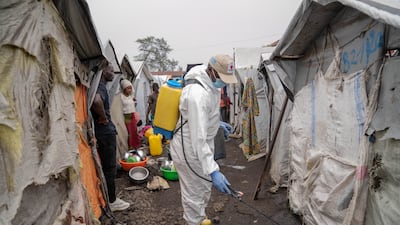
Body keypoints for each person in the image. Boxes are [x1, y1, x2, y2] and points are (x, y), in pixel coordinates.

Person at [170, 54, 237, 225]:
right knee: (194, 194)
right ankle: (194, 221)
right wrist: (213, 171)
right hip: (189, 148)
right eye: (222, 78)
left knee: (203, 187)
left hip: (198, 144)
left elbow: (203, 116)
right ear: (212, 71)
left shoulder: (207, 81)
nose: (224, 82)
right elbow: (198, 139)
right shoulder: (197, 95)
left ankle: (198, 219)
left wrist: (217, 122)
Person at [91, 63, 130, 212]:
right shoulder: (100, 87)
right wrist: (103, 118)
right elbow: (96, 101)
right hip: (105, 133)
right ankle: (112, 201)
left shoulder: (98, 85)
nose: (113, 73)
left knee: (107, 168)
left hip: (102, 133)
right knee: (109, 168)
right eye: (111, 70)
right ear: (103, 71)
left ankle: (108, 198)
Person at [120, 79, 140, 149]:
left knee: (134, 131)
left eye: (130, 88)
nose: (130, 90)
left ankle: (136, 146)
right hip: (126, 116)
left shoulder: (131, 96)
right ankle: (130, 147)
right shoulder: (121, 97)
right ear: (124, 89)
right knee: (129, 133)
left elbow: (134, 104)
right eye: (128, 88)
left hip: (132, 115)